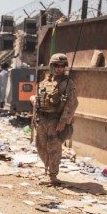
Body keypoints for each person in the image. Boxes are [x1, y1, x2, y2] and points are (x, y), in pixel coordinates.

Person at [34, 53, 78, 186]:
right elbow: (38, 101)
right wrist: (35, 118)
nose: (59, 68)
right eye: (56, 65)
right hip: (42, 119)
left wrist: (63, 121)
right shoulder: (44, 81)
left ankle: (53, 176)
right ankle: (46, 170)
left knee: (53, 147)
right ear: (51, 66)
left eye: (62, 66)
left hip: (55, 120)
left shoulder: (67, 83)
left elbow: (72, 103)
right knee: (41, 146)